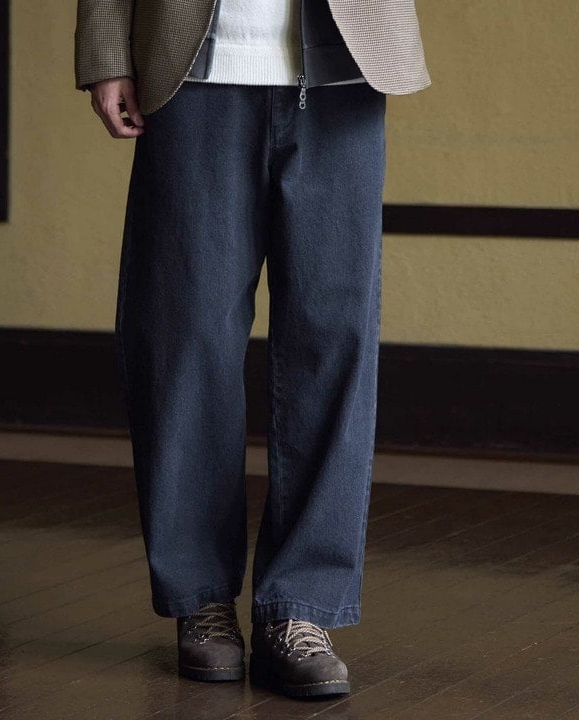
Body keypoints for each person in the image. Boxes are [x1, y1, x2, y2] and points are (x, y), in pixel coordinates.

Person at [74, 0, 430, 700]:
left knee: (332, 339)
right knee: (185, 339)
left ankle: (302, 607)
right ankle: (200, 597)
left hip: (345, 69)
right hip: (190, 75)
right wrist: (107, 53)